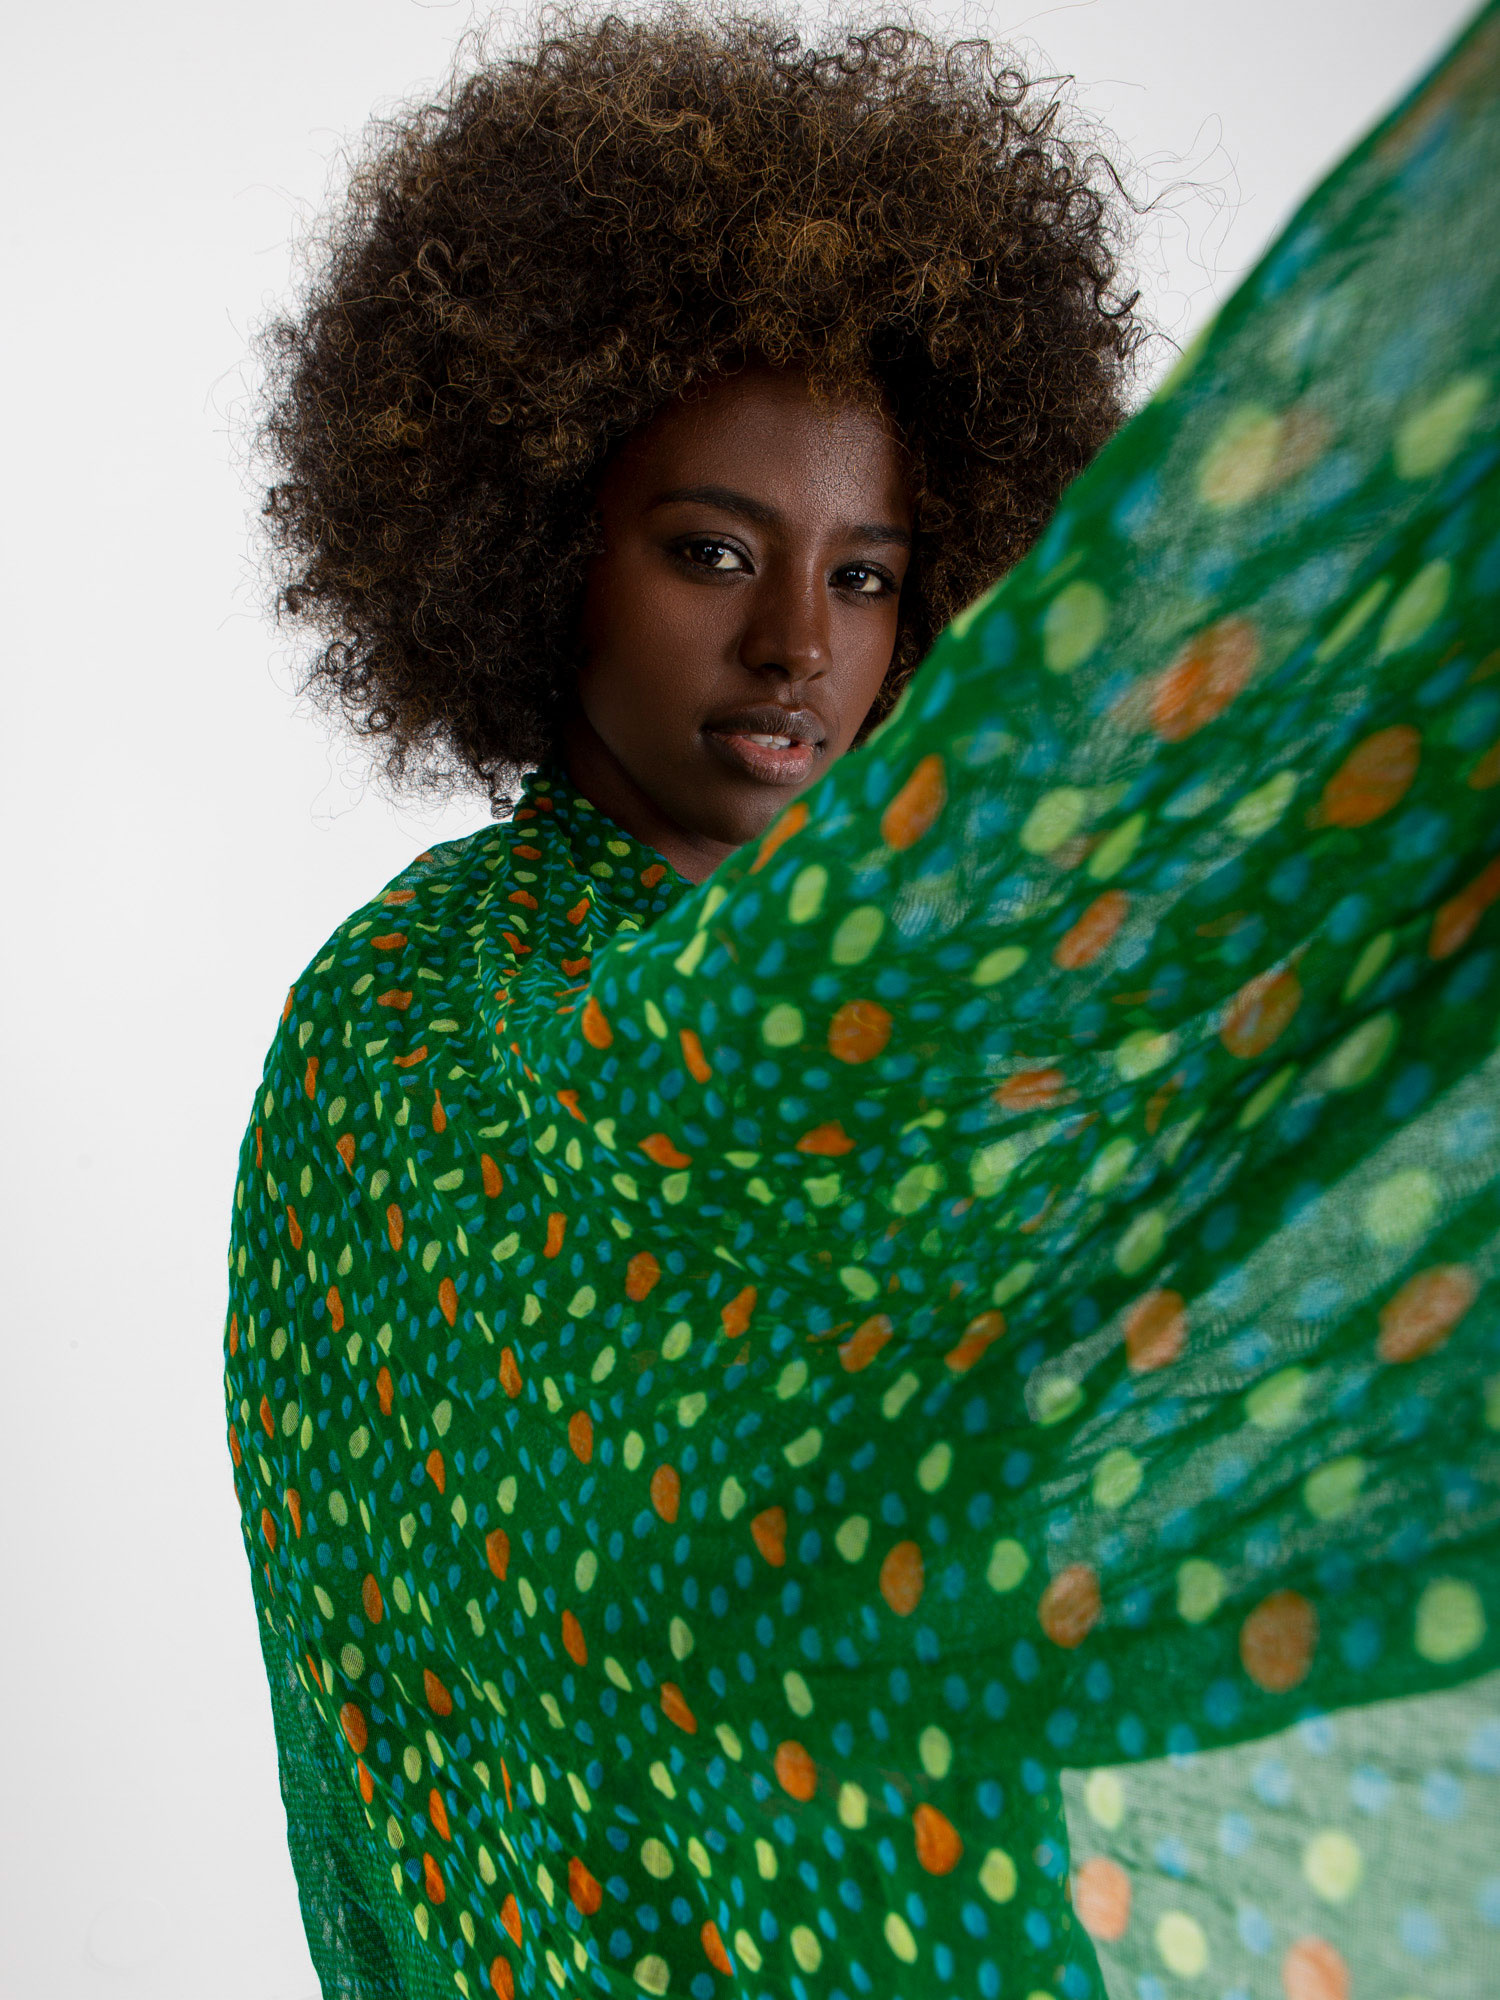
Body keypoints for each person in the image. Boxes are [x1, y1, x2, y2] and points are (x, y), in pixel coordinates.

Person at [228, 8, 1500, 2000]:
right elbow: (368, 1661)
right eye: (712, 552)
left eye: (867, 575)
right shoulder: (401, 1024)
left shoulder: (959, 1014)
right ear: (543, 541)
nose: (794, 648)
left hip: (932, 1903)